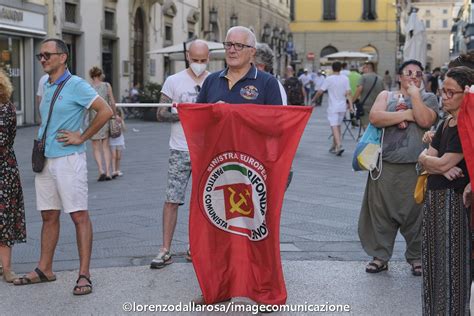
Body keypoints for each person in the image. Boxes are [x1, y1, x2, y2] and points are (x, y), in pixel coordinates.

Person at [13, 38, 112, 295]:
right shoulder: (46, 84)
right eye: (40, 56)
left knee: (78, 215)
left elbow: (105, 111)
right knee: (48, 215)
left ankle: (84, 274)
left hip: (69, 159)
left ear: (63, 57)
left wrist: (82, 136)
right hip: (46, 159)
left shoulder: (77, 84)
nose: (42, 59)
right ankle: (45, 268)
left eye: (47, 55)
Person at [195, 25, 283, 304]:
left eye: (238, 46)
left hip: (254, 171)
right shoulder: (211, 82)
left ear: (252, 52)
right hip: (218, 170)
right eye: (228, 44)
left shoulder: (267, 83)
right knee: (218, 230)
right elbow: (199, 122)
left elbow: (278, 125)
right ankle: (219, 288)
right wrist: (212, 114)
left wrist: (235, 114)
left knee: (258, 231)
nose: (231, 50)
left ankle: (264, 291)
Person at [358, 59, 438, 276]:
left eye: (418, 74)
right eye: (408, 73)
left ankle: (416, 257)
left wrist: (414, 97)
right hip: (385, 167)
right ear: (399, 76)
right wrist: (406, 114)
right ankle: (380, 256)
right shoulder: (386, 96)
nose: (413, 77)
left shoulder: (428, 98)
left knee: (417, 215)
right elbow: (375, 118)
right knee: (380, 213)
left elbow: (425, 120)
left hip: (415, 167)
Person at [150, 39, 210, 269]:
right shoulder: (173, 81)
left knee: (203, 201)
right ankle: (165, 249)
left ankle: (196, 246)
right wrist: (185, 114)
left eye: (203, 60)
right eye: (195, 60)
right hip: (179, 148)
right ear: (187, 56)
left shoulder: (214, 80)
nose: (199, 64)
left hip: (206, 149)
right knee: (171, 199)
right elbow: (160, 113)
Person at [417, 66, 473, 315]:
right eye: (443, 91)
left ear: (466, 94)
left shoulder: (465, 125)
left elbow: (438, 162)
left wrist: (434, 165)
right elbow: (427, 158)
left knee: (452, 266)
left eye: (452, 92)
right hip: (435, 201)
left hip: (453, 204)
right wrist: (435, 166)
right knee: (434, 263)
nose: (445, 97)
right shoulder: (444, 123)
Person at [0, 69, 26, 283]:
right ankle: (5, 267)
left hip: (3, 169)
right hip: (6, 166)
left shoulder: (5, 109)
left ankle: (6, 268)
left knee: (4, 217)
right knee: (5, 217)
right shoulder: (8, 108)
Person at [312, 61, 352, 156]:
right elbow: (349, 92)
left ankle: (339, 145)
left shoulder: (329, 79)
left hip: (333, 107)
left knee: (334, 126)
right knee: (338, 126)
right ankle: (334, 145)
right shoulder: (345, 78)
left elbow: (320, 91)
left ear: (332, 68)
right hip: (342, 106)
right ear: (341, 68)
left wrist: (314, 99)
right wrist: (350, 105)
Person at [88, 66, 116, 181]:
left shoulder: (88, 88)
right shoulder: (106, 85)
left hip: (93, 119)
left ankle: (101, 170)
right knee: (105, 145)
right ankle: (109, 172)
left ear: (91, 76)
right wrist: (114, 115)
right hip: (105, 117)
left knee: (95, 147)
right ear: (100, 75)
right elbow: (112, 102)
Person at [352, 62, 384, 129]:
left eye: (364, 68)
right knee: (375, 126)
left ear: (368, 68)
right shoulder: (380, 79)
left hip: (365, 106)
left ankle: (368, 139)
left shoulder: (363, 77)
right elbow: (384, 92)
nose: (363, 70)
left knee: (366, 126)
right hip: (377, 107)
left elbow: (359, 89)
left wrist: (352, 100)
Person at [110, 107, 125, 178]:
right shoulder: (110, 120)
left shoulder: (121, 120)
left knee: (118, 156)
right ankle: (113, 170)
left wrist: (121, 122)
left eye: (118, 113)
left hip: (120, 140)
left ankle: (118, 169)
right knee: (113, 156)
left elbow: (124, 129)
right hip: (112, 140)